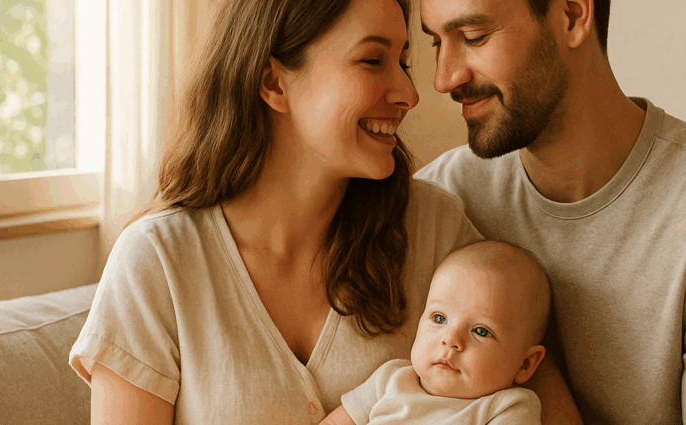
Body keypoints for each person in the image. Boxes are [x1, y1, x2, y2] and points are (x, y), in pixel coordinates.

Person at [67, 0, 492, 422]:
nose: (409, 94)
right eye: (372, 60)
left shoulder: (435, 230)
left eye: (403, 63)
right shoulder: (156, 262)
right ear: (274, 82)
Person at [414, 0, 686, 423]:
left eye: (474, 37)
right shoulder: (442, 201)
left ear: (572, 16)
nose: (445, 78)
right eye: (435, 42)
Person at [320, 240, 551, 425]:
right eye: (439, 318)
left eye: (481, 331)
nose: (450, 339)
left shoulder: (506, 407)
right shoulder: (391, 378)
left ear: (526, 364)